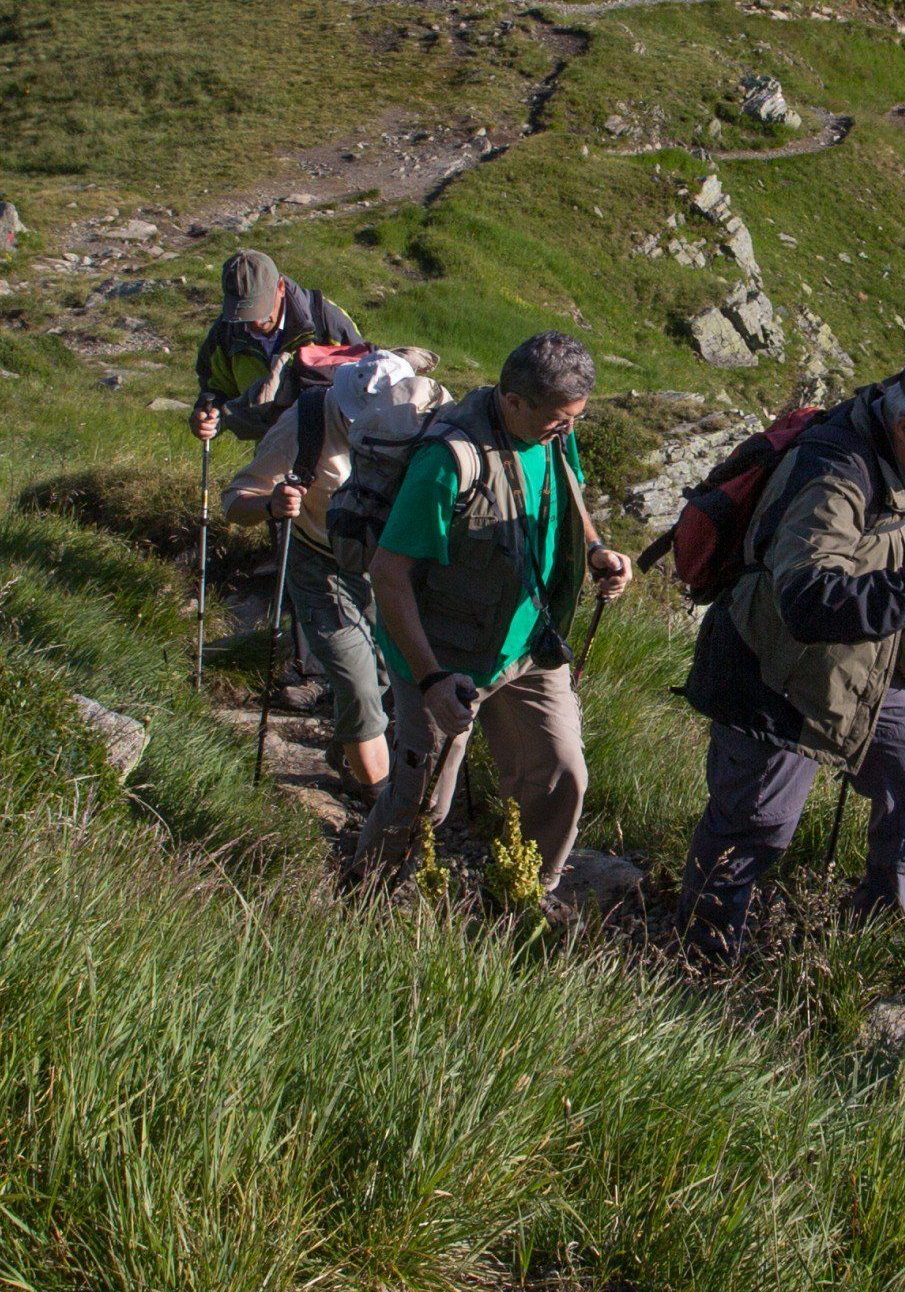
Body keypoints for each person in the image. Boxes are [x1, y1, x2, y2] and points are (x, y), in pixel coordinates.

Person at [676, 351, 905, 957]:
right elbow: (806, 602)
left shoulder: (891, 449)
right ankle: (701, 962)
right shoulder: (833, 476)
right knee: (755, 826)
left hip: (855, 672)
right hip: (771, 675)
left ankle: (884, 937)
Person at [356, 332, 633, 899]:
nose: (568, 430)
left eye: (574, 418)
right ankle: (365, 892)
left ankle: (524, 895)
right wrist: (431, 680)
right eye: (558, 419)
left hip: (530, 642)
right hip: (447, 657)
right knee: (422, 802)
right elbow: (389, 573)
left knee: (562, 776)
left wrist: (598, 548)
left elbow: (569, 490)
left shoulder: (556, 432)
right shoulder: (448, 460)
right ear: (512, 402)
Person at [218, 347, 442, 796]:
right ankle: (380, 803)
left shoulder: (424, 412)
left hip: (390, 568)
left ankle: (348, 756)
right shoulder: (306, 423)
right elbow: (233, 501)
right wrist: (268, 505)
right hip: (320, 566)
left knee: (386, 676)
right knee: (358, 683)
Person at [190, 249, 362, 447]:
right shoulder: (225, 333)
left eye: (260, 307)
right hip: (271, 450)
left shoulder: (327, 321)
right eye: (245, 311)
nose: (255, 320)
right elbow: (216, 389)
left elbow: (365, 382)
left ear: (280, 287)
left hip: (332, 451)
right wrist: (210, 418)